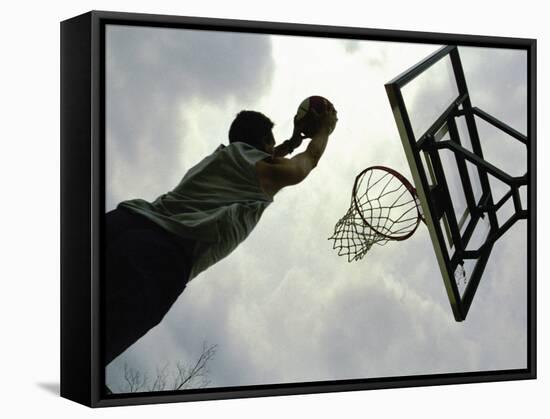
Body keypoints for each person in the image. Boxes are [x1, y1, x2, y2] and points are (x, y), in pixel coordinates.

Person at [104, 105, 338, 366]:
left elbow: (269, 156)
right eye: (270, 144)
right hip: (158, 255)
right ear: (263, 143)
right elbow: (308, 161)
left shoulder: (225, 157)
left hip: (124, 221)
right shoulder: (265, 172)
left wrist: (291, 142)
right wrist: (325, 128)